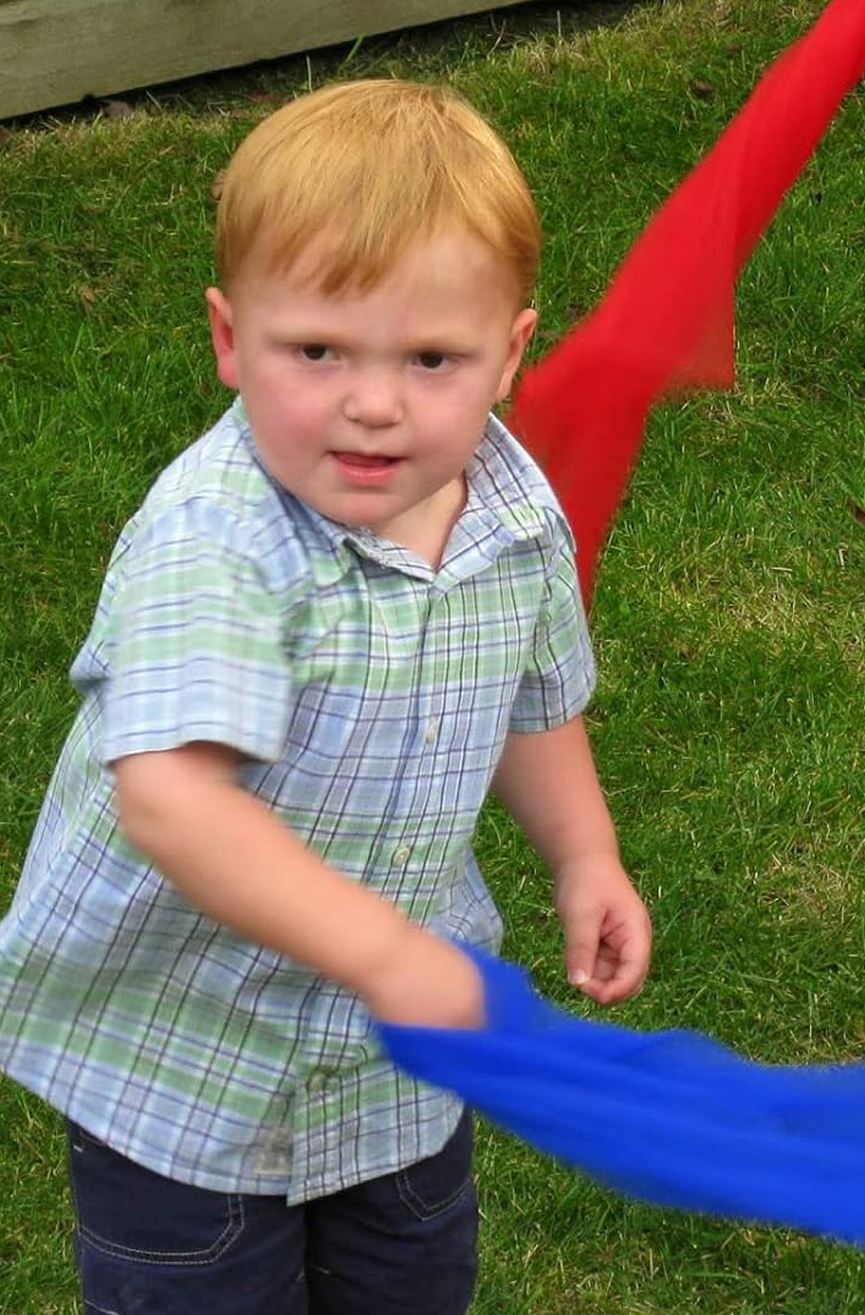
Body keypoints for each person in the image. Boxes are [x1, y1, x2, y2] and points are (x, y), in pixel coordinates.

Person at [0, 78, 653, 1314]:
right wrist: (382, 951)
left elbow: (530, 700)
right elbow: (172, 801)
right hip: (185, 1066)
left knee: (412, 1284)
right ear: (228, 338)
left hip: (391, 1073)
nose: (374, 401)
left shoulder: (513, 513)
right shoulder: (217, 541)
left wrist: (584, 856)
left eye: (432, 359)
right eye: (317, 351)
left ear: (510, 354)